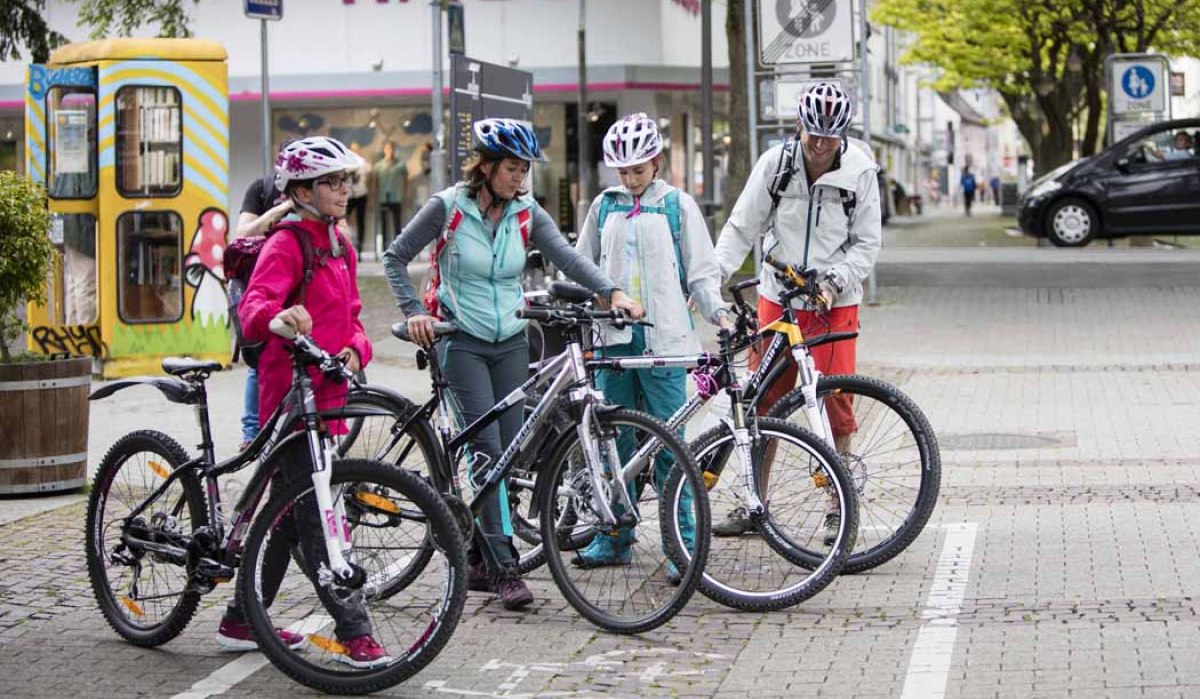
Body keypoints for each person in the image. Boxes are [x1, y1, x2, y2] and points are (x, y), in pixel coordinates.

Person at [383, 118, 643, 610]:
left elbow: (566, 257)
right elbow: (396, 258)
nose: (520, 178)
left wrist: (611, 291)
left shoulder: (526, 212)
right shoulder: (448, 208)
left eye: (524, 169)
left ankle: (479, 553)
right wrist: (416, 313)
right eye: (511, 168)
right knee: (487, 450)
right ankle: (503, 568)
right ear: (484, 167)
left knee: (510, 449)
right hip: (459, 341)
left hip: (511, 342)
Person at [220, 136, 387, 667]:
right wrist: (280, 318)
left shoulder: (339, 242)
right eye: (333, 182)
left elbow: (356, 318)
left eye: (346, 181)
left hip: (330, 398)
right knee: (316, 515)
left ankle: (242, 619)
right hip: (291, 399)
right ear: (301, 191)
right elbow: (254, 309)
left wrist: (358, 349)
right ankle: (355, 632)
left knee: (290, 516)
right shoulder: (287, 242)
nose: (344, 190)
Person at [710, 81, 882, 540]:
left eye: (830, 137)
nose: (821, 146)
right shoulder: (776, 165)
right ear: (799, 126)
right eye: (813, 135)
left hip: (833, 303)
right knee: (763, 403)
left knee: (836, 404)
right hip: (778, 297)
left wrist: (836, 279)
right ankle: (754, 502)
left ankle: (838, 505)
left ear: (843, 133)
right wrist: (712, 277)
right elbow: (741, 225)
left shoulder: (860, 173)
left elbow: (866, 245)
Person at [573, 113, 731, 583]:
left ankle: (678, 542)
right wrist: (594, 300)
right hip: (615, 340)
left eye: (638, 170)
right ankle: (616, 534)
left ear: (656, 163)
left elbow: (701, 271)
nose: (630, 179)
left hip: (667, 341)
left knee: (670, 445)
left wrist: (718, 312)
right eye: (622, 171)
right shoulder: (604, 207)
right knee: (613, 442)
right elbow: (583, 265)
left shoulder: (678, 207)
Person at [232, 141, 297, 451]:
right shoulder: (261, 189)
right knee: (258, 360)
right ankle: (251, 433)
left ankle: (288, 426)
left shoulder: (317, 197)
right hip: (254, 285)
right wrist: (279, 211)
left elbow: (342, 235)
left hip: (293, 287)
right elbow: (243, 234)